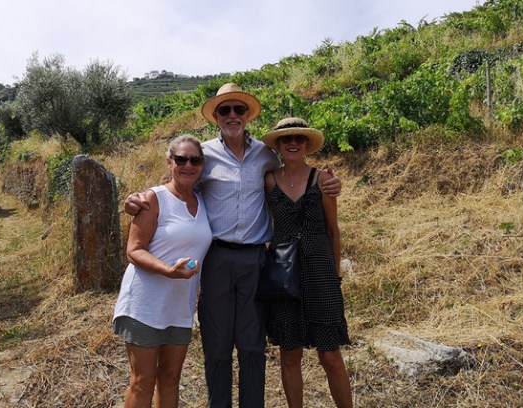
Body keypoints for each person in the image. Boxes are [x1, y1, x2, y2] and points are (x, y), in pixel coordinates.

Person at [123, 83, 342, 408]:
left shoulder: (265, 156)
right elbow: (176, 180)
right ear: (216, 117)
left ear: (248, 115)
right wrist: (139, 198)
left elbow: (292, 175)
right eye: (225, 110)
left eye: (239, 109)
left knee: (253, 346)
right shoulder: (203, 155)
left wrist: (329, 181)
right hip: (216, 260)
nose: (232, 115)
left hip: (256, 259)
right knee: (217, 344)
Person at [113, 134, 213, 408]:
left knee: (170, 381)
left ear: (202, 165)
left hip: (179, 307)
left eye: (195, 160)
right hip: (145, 305)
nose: (188, 165)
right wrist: (168, 270)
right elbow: (134, 249)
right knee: (142, 381)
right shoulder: (154, 198)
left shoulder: (203, 203)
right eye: (181, 159)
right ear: (169, 162)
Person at [261, 117, 352, 408]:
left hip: (320, 272)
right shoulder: (269, 181)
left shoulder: (323, 179)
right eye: (286, 139)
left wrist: (335, 276)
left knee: (330, 354)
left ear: (306, 145)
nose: (292, 143)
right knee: (290, 353)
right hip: (285, 274)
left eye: (298, 139)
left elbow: (333, 230)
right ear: (277, 145)